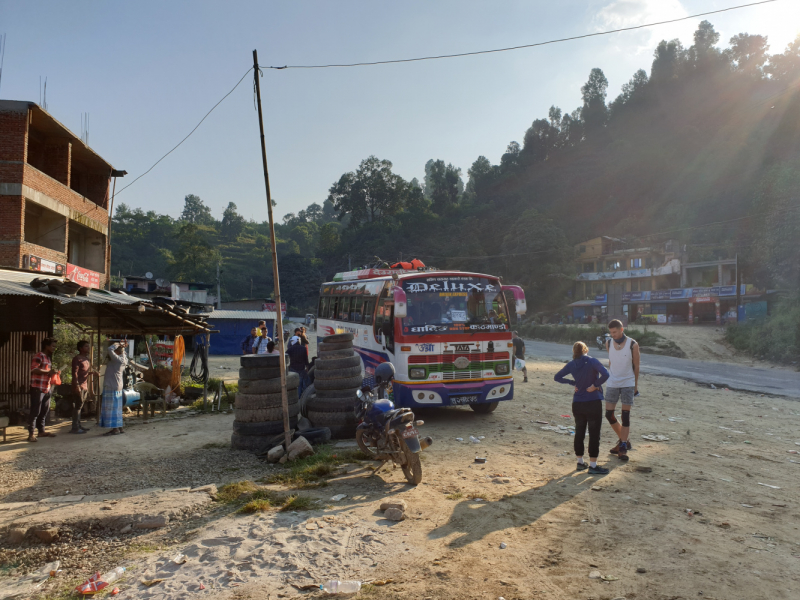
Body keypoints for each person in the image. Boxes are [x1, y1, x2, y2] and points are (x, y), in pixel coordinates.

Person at [554, 341, 611, 475]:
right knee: (594, 433)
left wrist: (572, 382)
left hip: (578, 402)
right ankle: (593, 465)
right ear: (586, 349)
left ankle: (580, 462)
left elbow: (557, 377)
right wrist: (596, 384)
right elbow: (606, 374)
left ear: (574, 352)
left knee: (579, 432)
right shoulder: (592, 361)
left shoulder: (572, 364)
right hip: (593, 401)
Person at [604, 319, 640, 461]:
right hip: (613, 382)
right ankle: (624, 440)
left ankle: (623, 446)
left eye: (615, 332)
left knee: (625, 416)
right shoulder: (608, 343)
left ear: (621, 329)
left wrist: (635, 385)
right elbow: (611, 361)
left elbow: (636, 366)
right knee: (609, 414)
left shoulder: (633, 344)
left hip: (628, 382)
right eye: (611, 333)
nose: (613, 335)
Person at [28, 337, 59, 442]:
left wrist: (53, 373)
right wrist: (48, 372)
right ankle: (31, 434)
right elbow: (34, 369)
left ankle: (41, 431)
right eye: (53, 346)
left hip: (46, 387)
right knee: (35, 411)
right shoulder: (39, 355)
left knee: (44, 411)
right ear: (46, 346)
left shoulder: (48, 357)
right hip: (37, 387)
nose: (54, 348)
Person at [100, 341, 128, 436]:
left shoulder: (117, 359)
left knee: (111, 409)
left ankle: (115, 428)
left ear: (116, 352)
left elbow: (109, 349)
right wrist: (122, 346)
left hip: (111, 386)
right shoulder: (124, 359)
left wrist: (117, 344)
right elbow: (123, 352)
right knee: (117, 408)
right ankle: (120, 427)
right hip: (118, 386)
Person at [70, 340, 96, 434]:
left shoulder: (86, 359)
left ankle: (78, 425)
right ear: (80, 348)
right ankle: (75, 427)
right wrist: (77, 385)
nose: (88, 348)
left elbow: (83, 372)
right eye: (86, 346)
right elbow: (75, 373)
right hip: (79, 386)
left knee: (80, 406)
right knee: (78, 406)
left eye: (88, 346)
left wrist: (91, 373)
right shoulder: (77, 359)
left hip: (84, 385)